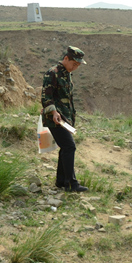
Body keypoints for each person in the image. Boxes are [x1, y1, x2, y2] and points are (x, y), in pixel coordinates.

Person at [41, 46, 89, 193]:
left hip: (65, 118)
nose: (75, 67)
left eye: (78, 65)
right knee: (69, 147)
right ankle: (71, 184)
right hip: (54, 118)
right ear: (66, 58)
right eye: (74, 63)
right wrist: (54, 112)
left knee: (65, 148)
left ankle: (61, 181)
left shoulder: (67, 74)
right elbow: (46, 97)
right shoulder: (53, 73)